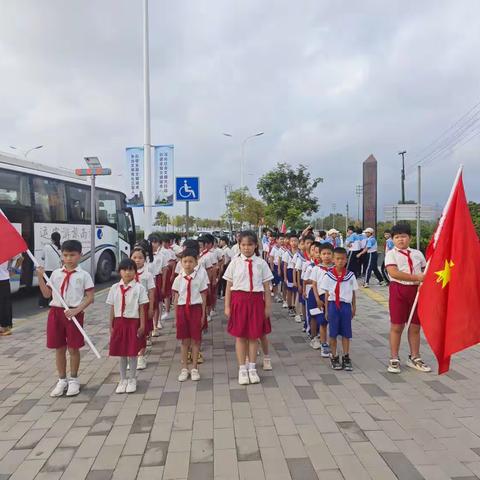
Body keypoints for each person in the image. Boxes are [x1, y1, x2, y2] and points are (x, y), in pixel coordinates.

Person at [37, 240, 94, 397]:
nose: (68, 258)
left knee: (73, 348)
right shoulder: (55, 274)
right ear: (61, 255)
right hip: (56, 313)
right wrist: (40, 277)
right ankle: (62, 380)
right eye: (65, 255)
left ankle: (74, 379)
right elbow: (47, 295)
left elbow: (90, 297)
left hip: (74, 314)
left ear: (80, 255)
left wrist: (77, 310)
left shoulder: (84, 275)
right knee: (59, 347)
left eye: (72, 255)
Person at [224, 230, 273, 385]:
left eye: (250, 245)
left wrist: (267, 307)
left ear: (255, 245)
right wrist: (227, 306)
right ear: (239, 246)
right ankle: (242, 369)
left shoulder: (261, 263)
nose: (246, 248)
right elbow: (228, 286)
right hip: (239, 301)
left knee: (253, 336)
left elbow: (266, 287)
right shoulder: (234, 262)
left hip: (256, 301)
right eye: (243, 245)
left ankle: (252, 367)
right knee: (240, 336)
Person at [385, 223, 431, 374]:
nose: (400, 240)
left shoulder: (418, 254)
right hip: (398, 291)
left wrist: (424, 281)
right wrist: (416, 277)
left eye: (403, 236)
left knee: (415, 326)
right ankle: (394, 357)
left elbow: (426, 271)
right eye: (397, 237)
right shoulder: (391, 254)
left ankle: (414, 357)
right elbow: (394, 273)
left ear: (410, 238)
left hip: (417, 292)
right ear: (392, 239)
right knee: (397, 326)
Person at [107, 259, 148, 394]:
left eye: (131, 270)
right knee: (122, 353)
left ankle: (132, 379)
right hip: (119, 323)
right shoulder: (114, 288)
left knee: (132, 353)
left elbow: (142, 308)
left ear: (135, 272)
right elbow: (112, 308)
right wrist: (111, 325)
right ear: (119, 272)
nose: (127, 272)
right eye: (124, 270)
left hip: (133, 323)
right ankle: (123, 378)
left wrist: (142, 325)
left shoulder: (139, 288)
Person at [173, 249, 208, 382]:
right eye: (185, 261)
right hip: (182, 309)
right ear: (181, 263)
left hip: (195, 309)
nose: (187, 264)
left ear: (196, 262)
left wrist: (203, 315)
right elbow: (176, 299)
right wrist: (176, 317)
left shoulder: (199, 279)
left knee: (196, 340)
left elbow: (204, 297)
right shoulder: (178, 279)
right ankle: (184, 368)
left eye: (190, 261)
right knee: (184, 340)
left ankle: (194, 368)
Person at [320, 247, 358, 371]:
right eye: (337, 259)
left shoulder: (350, 275)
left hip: (345, 306)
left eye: (342, 259)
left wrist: (354, 307)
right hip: (332, 306)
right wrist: (326, 310)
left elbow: (353, 293)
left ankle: (346, 357)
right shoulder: (329, 275)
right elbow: (326, 294)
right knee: (333, 333)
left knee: (346, 333)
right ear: (333, 260)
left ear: (346, 260)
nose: (340, 261)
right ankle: (334, 356)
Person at [131, 248, 156, 370]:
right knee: (133, 331)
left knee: (143, 331)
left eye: (140, 258)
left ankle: (141, 356)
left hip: (144, 306)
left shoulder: (147, 275)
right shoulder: (127, 274)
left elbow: (151, 291)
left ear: (145, 259)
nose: (137, 260)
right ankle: (133, 355)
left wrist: (151, 308)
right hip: (131, 307)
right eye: (134, 258)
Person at [309, 243, 334, 357]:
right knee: (323, 322)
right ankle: (323, 344)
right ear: (320, 255)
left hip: (333, 298)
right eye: (324, 254)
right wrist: (317, 299)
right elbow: (314, 285)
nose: (326, 256)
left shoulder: (336, 268)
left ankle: (331, 344)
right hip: (320, 297)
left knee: (332, 322)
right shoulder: (316, 268)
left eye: (329, 253)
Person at [39, 232, 62, 307]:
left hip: (48, 270)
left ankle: (43, 304)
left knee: (46, 286)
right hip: (57, 270)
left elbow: (42, 257)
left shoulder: (46, 247)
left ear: (51, 239)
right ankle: (53, 302)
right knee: (55, 287)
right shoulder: (61, 248)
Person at [283, 232, 299, 319]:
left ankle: (295, 306)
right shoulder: (287, 253)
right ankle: (290, 307)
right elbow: (285, 266)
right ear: (289, 242)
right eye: (292, 241)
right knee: (289, 290)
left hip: (297, 272)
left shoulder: (300, 253)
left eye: (295, 241)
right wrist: (285, 277)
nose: (294, 243)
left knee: (296, 290)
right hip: (289, 272)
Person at [0, 261, 13, 336]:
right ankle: (6, 326)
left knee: (3, 304)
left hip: (3, 279)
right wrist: (12, 269)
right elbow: (20, 258)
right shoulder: (4, 252)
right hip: (5, 279)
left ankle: (5, 327)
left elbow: (20, 258)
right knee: (5, 303)